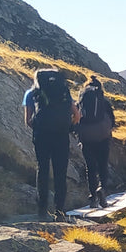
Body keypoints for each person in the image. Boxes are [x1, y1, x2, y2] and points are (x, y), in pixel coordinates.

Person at [23, 69, 78, 219]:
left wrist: (40, 128)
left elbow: (27, 120)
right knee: (61, 172)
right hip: (61, 136)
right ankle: (59, 211)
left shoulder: (31, 93)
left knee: (43, 170)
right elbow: (77, 114)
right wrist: (69, 126)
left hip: (42, 136)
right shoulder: (63, 91)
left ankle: (42, 211)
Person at [75, 75, 116, 208]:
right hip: (103, 137)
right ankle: (102, 189)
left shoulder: (81, 101)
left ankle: (92, 197)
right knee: (103, 165)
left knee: (90, 168)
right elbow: (113, 121)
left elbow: (75, 119)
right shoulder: (104, 102)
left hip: (86, 138)